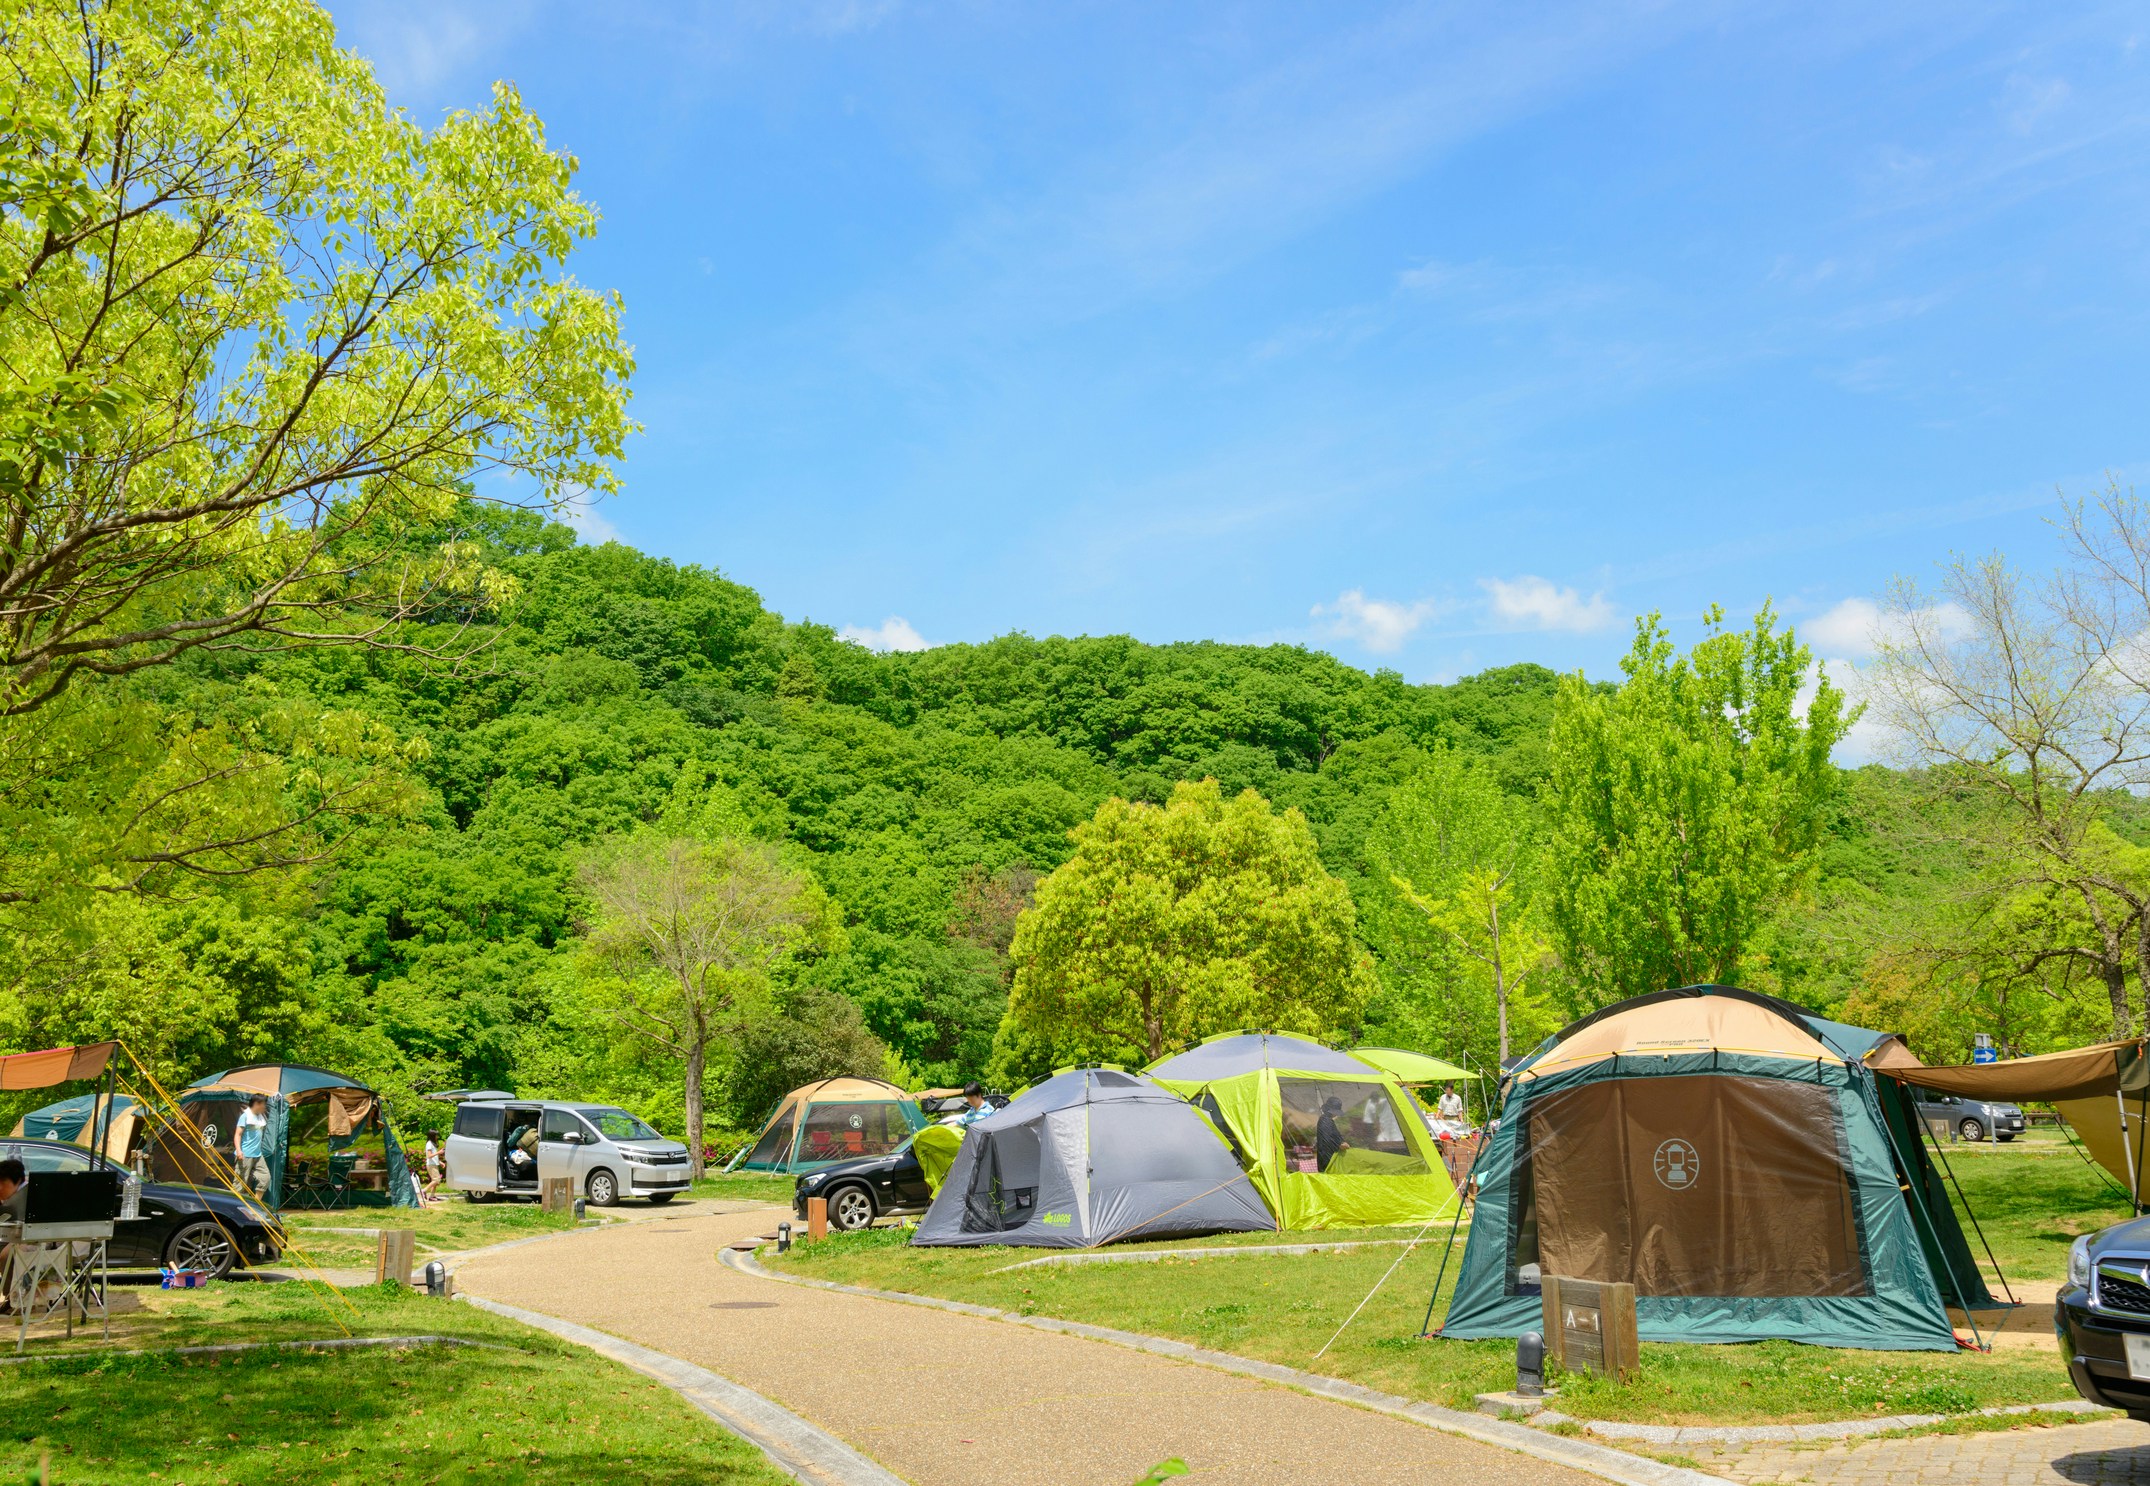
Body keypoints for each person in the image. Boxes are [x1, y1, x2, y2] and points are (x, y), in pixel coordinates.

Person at [235, 1095, 271, 1196]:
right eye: (264, 1105)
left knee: (265, 1178)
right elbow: (237, 1134)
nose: (265, 1107)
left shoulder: (260, 1117)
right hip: (245, 1154)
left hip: (258, 1155)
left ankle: (256, 1205)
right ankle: (233, 1208)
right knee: (240, 1184)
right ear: (257, 1104)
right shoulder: (245, 1116)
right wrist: (238, 1150)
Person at [1315, 1096, 1349, 1172]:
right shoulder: (1324, 1121)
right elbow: (1326, 1140)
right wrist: (1340, 1145)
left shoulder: (1328, 1120)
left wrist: (1342, 1141)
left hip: (1331, 1156)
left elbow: (1334, 1136)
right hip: (1327, 1158)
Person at [421, 1130, 443, 1205]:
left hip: (434, 1164)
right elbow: (429, 1156)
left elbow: (434, 1156)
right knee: (437, 1180)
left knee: (435, 1181)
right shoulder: (429, 1144)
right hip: (431, 1165)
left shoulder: (432, 1144)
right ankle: (424, 1190)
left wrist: (440, 1162)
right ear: (432, 1136)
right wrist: (439, 1152)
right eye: (436, 1135)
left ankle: (432, 1196)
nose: (437, 1137)